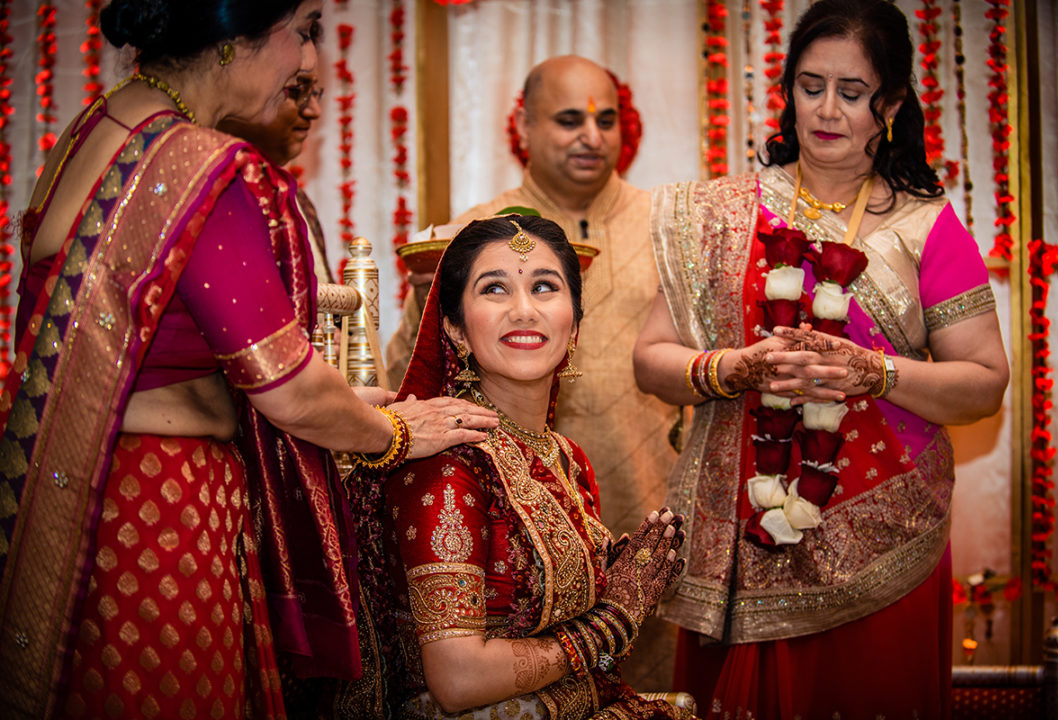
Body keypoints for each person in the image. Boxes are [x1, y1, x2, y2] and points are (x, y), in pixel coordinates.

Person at [0, 1, 494, 718]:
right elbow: (286, 385)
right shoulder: (196, 165)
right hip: (161, 507)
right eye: (304, 31)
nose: (307, 62)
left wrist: (354, 408)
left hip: (78, 486)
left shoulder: (96, 131)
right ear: (236, 38)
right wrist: (398, 436)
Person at [633, 1, 1009, 717]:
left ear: (890, 105)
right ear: (788, 93)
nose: (827, 109)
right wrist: (731, 369)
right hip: (742, 538)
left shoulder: (925, 227)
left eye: (853, 91)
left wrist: (876, 372)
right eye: (811, 86)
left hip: (883, 542)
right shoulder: (724, 215)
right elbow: (650, 360)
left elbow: (984, 384)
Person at [385, 56, 680, 688]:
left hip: (638, 492)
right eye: (569, 119)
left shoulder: (664, 227)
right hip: (489, 517)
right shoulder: (475, 235)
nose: (591, 136)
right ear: (524, 124)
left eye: (606, 119)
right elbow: (411, 378)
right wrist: (425, 301)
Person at [380, 214, 693, 718]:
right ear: (456, 329)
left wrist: (621, 579)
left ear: (574, 323)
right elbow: (457, 678)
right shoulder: (447, 466)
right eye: (495, 289)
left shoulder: (566, 458)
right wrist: (613, 620)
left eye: (544, 287)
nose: (524, 310)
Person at [219, 73, 335, 284]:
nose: (314, 111)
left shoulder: (299, 202)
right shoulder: (217, 193)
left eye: (315, 93)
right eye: (298, 91)